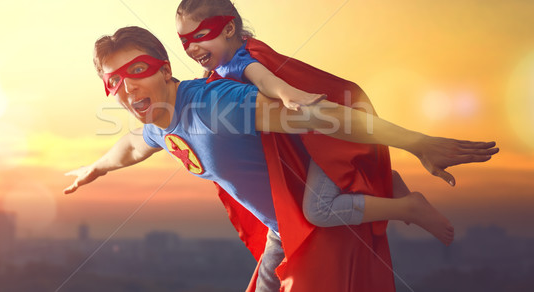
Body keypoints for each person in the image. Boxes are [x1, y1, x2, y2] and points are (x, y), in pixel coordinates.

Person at [64, 26, 498, 292]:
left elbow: (321, 118)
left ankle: (402, 203)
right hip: (282, 233)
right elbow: (135, 145)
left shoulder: (218, 106)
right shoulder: (160, 122)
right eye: (112, 81)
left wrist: (416, 141)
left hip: (320, 226)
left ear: (163, 69)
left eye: (136, 71)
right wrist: (95, 168)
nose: (125, 88)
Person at [175, 0, 455, 243]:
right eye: (184, 41)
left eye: (200, 36)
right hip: (312, 139)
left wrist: (285, 93)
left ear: (228, 29)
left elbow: (264, 79)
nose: (191, 48)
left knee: (319, 210)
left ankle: (408, 208)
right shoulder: (221, 68)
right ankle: (385, 183)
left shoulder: (241, 62)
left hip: (330, 133)